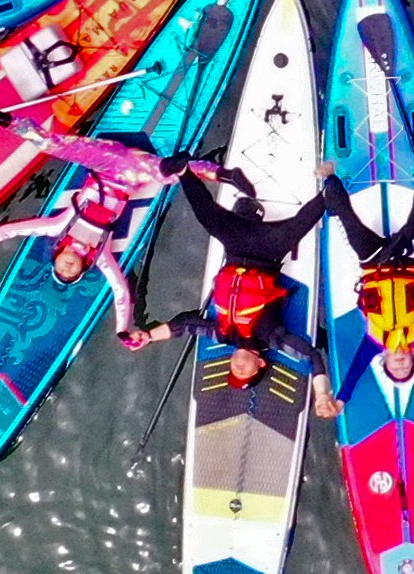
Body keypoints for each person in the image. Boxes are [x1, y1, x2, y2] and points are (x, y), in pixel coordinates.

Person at [121, 163, 342, 415]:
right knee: (311, 215)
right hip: (269, 251)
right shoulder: (272, 337)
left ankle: (183, 171)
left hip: (235, 247)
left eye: (232, 370)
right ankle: (330, 185)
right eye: (243, 372)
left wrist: (148, 337)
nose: (236, 368)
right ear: (259, 364)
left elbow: (185, 324)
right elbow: (312, 355)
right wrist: (322, 394)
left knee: (208, 218)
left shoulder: (224, 335)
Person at [0, 114, 190, 340]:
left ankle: (0, 119)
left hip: (104, 160)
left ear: (56, 257)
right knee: (175, 173)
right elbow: (120, 290)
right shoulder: (102, 257)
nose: (67, 270)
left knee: (49, 144)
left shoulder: (56, 228)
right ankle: (219, 172)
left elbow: (12, 231)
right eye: (71, 274)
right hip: (133, 173)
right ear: (83, 269)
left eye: (60, 271)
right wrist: (122, 329)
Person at [320, 160, 414, 395]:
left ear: (384, 362)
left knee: (349, 220)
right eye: (407, 368)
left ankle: (330, 176)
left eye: (395, 370)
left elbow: (355, 372)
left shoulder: (373, 343)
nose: (401, 365)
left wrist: (340, 400)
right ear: (412, 358)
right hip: (407, 262)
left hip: (373, 263)